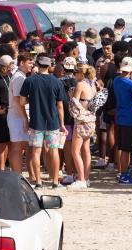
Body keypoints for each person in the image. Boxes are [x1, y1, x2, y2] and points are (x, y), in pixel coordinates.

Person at [18, 55, 67, 188]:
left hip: (36, 122)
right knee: (53, 151)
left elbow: (21, 102)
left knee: (36, 151)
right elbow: (60, 106)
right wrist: (62, 124)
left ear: (38, 65)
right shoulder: (57, 82)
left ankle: (38, 181)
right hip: (53, 122)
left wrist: (32, 100)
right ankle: (55, 181)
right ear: (49, 66)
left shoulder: (29, 81)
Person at [111, 56, 132, 185]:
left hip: (121, 117)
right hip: (130, 118)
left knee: (123, 147)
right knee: (127, 149)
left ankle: (123, 173)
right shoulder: (129, 83)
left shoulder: (116, 80)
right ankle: (124, 174)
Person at [69, 63, 98, 188]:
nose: (74, 75)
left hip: (82, 120)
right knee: (86, 150)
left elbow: (74, 103)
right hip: (91, 120)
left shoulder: (80, 84)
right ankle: (86, 178)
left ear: (81, 73)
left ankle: (80, 179)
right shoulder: (92, 85)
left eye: (75, 72)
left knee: (75, 151)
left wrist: (71, 96)